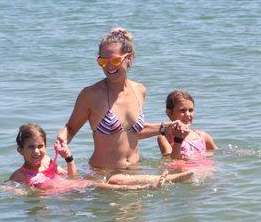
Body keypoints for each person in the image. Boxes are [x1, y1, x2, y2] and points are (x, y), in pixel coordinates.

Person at [57, 27, 180, 169]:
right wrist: (61, 140)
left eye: (115, 60)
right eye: (103, 61)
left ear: (129, 58)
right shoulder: (90, 95)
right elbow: (71, 129)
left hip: (134, 171)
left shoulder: (139, 90)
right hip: (103, 176)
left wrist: (165, 128)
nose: (109, 66)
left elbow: (132, 132)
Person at [9, 123, 193, 191]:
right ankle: (150, 186)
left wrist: (69, 158)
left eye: (40, 146)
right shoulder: (19, 175)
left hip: (78, 188)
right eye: (30, 147)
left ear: (46, 147)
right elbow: (11, 190)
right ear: (20, 150)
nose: (36, 151)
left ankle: (166, 179)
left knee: (116, 179)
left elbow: (72, 177)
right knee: (111, 182)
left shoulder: (49, 162)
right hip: (70, 197)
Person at [157, 90, 218, 160]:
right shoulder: (164, 137)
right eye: (182, 110)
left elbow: (218, 155)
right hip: (185, 170)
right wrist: (178, 139)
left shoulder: (202, 136)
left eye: (191, 110)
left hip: (204, 170)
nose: (188, 114)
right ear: (169, 113)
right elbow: (172, 160)